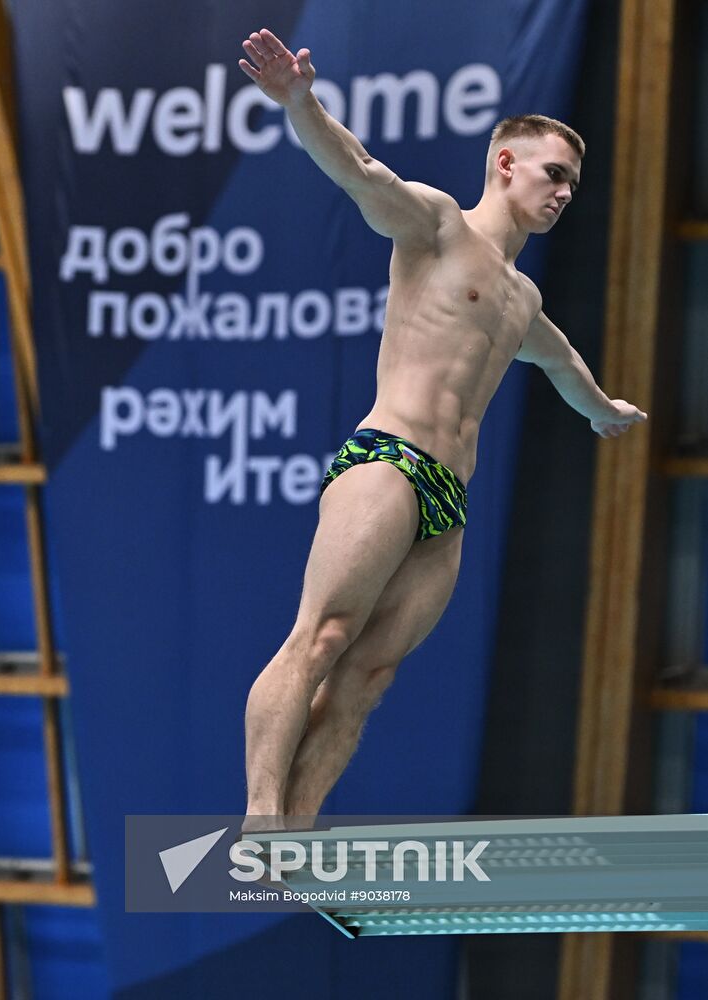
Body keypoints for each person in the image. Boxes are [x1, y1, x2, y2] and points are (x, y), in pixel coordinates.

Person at [238, 28, 647, 831]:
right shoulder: (435, 227)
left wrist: (602, 408)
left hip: (445, 504)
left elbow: (561, 364)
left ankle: (300, 833)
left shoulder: (520, 299)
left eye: (572, 183)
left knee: (367, 678)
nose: (564, 193)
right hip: (387, 461)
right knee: (320, 638)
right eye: (554, 175)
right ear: (505, 164)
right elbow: (358, 170)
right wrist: (299, 102)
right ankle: (259, 816)